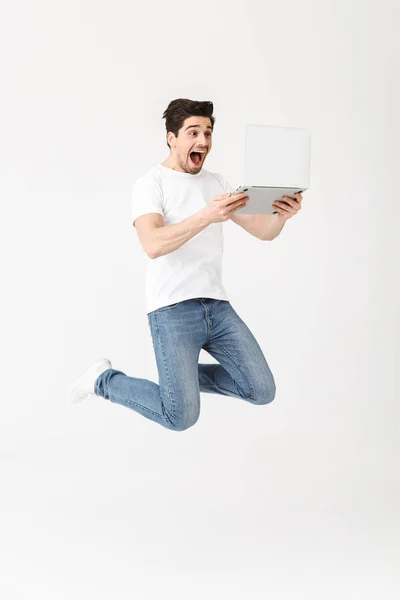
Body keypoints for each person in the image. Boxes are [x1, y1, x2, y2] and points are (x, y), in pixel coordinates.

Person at [69, 98, 303, 431]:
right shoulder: (151, 184)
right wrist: (207, 215)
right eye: (193, 132)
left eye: (208, 132)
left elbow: (263, 231)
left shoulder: (218, 183)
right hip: (172, 310)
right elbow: (152, 244)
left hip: (217, 307)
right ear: (171, 137)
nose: (203, 141)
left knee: (261, 389)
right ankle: (103, 381)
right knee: (181, 416)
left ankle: (179, 378)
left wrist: (283, 214)